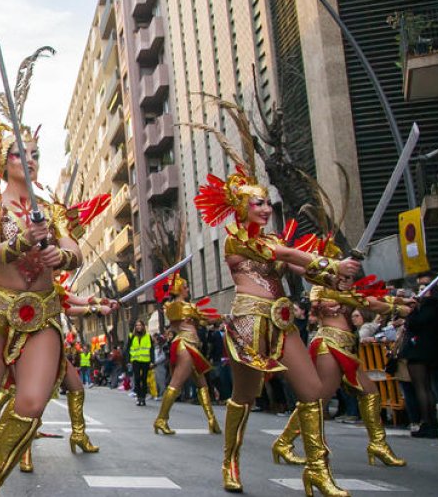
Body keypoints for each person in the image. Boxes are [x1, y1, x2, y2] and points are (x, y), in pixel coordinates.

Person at [0, 97, 115, 496]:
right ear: (2, 162)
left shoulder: (52, 209)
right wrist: (21, 241)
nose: (30, 159)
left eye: (35, 153)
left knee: (33, 403)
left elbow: (74, 250)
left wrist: (62, 254)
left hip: (42, 314)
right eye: (20, 153)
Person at [192, 107, 361, 496]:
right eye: (258, 205)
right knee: (244, 397)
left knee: (313, 393)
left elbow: (303, 269)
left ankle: (317, 469)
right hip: (249, 325)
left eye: (267, 203)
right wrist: (326, 261)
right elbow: (287, 258)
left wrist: (335, 273)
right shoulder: (238, 241)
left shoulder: (273, 242)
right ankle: (230, 462)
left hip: (282, 322)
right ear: (240, 209)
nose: (266, 209)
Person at [269, 256, 412, 468]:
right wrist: (400, 309)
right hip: (329, 346)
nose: (347, 277)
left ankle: (378, 444)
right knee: (318, 400)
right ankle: (284, 442)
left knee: (370, 393)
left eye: (350, 274)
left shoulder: (347, 290)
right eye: (344, 273)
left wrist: (400, 302)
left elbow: (367, 298)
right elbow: (364, 302)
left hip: (346, 346)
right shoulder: (321, 288)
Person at [153, 274, 222, 434]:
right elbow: (201, 318)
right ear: (179, 289)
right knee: (176, 383)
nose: (188, 290)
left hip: (192, 346)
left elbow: (203, 320)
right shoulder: (179, 307)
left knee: (202, 385)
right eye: (185, 287)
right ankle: (161, 419)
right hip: (185, 346)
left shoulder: (185, 307)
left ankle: (212, 420)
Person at [403, 272, 438, 438]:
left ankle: (429, 423)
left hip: (421, 348)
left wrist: (413, 310)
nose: (421, 289)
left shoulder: (431, 304)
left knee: (422, 387)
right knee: (427, 387)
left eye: (424, 286)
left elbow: (415, 323)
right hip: (431, 348)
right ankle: (429, 422)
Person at [129, 319, 153, 406]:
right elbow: (128, 348)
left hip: (145, 360)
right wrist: (128, 360)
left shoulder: (147, 336)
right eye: (137, 325)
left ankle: (143, 398)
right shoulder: (131, 336)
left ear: (143, 326)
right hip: (135, 360)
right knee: (137, 378)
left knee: (144, 379)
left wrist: (152, 361)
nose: (138, 327)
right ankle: (139, 397)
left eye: (140, 325)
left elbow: (151, 349)